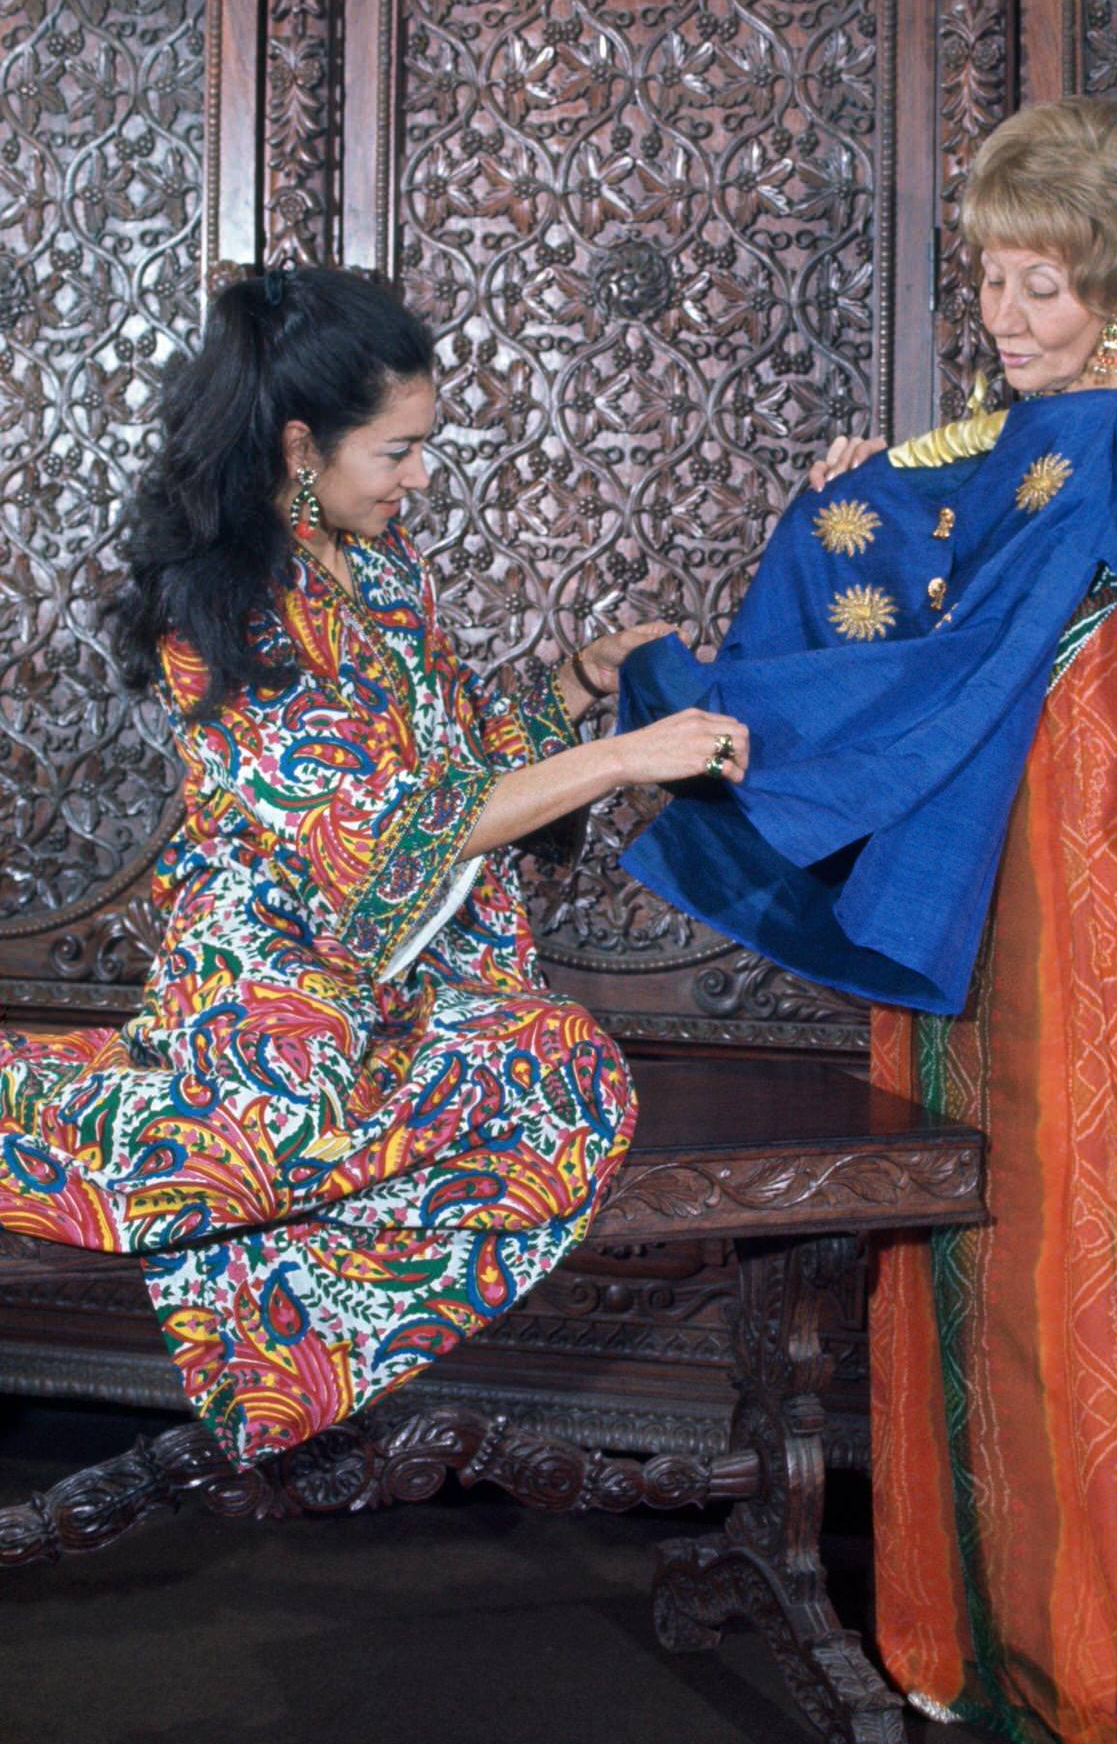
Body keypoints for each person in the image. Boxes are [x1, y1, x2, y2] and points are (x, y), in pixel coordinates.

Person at [614, 97, 1117, 1744]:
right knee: (959, 1246)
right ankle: (956, 1634)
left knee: (1084, 1263)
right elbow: (879, 667)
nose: (1012, 323)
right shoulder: (969, 470)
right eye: (997, 284)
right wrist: (847, 514)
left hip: (1099, 924)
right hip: (954, 918)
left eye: (1047, 290)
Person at [0, 266, 748, 1469]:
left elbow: (453, 765)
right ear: (302, 445)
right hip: (277, 974)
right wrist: (621, 757)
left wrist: (575, 686)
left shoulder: (387, 576)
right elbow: (387, 832)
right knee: (287, 1106)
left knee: (560, 1077)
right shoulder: (233, 613)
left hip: (407, 979)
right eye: (397, 452)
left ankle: (270, 1348)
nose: (419, 478)